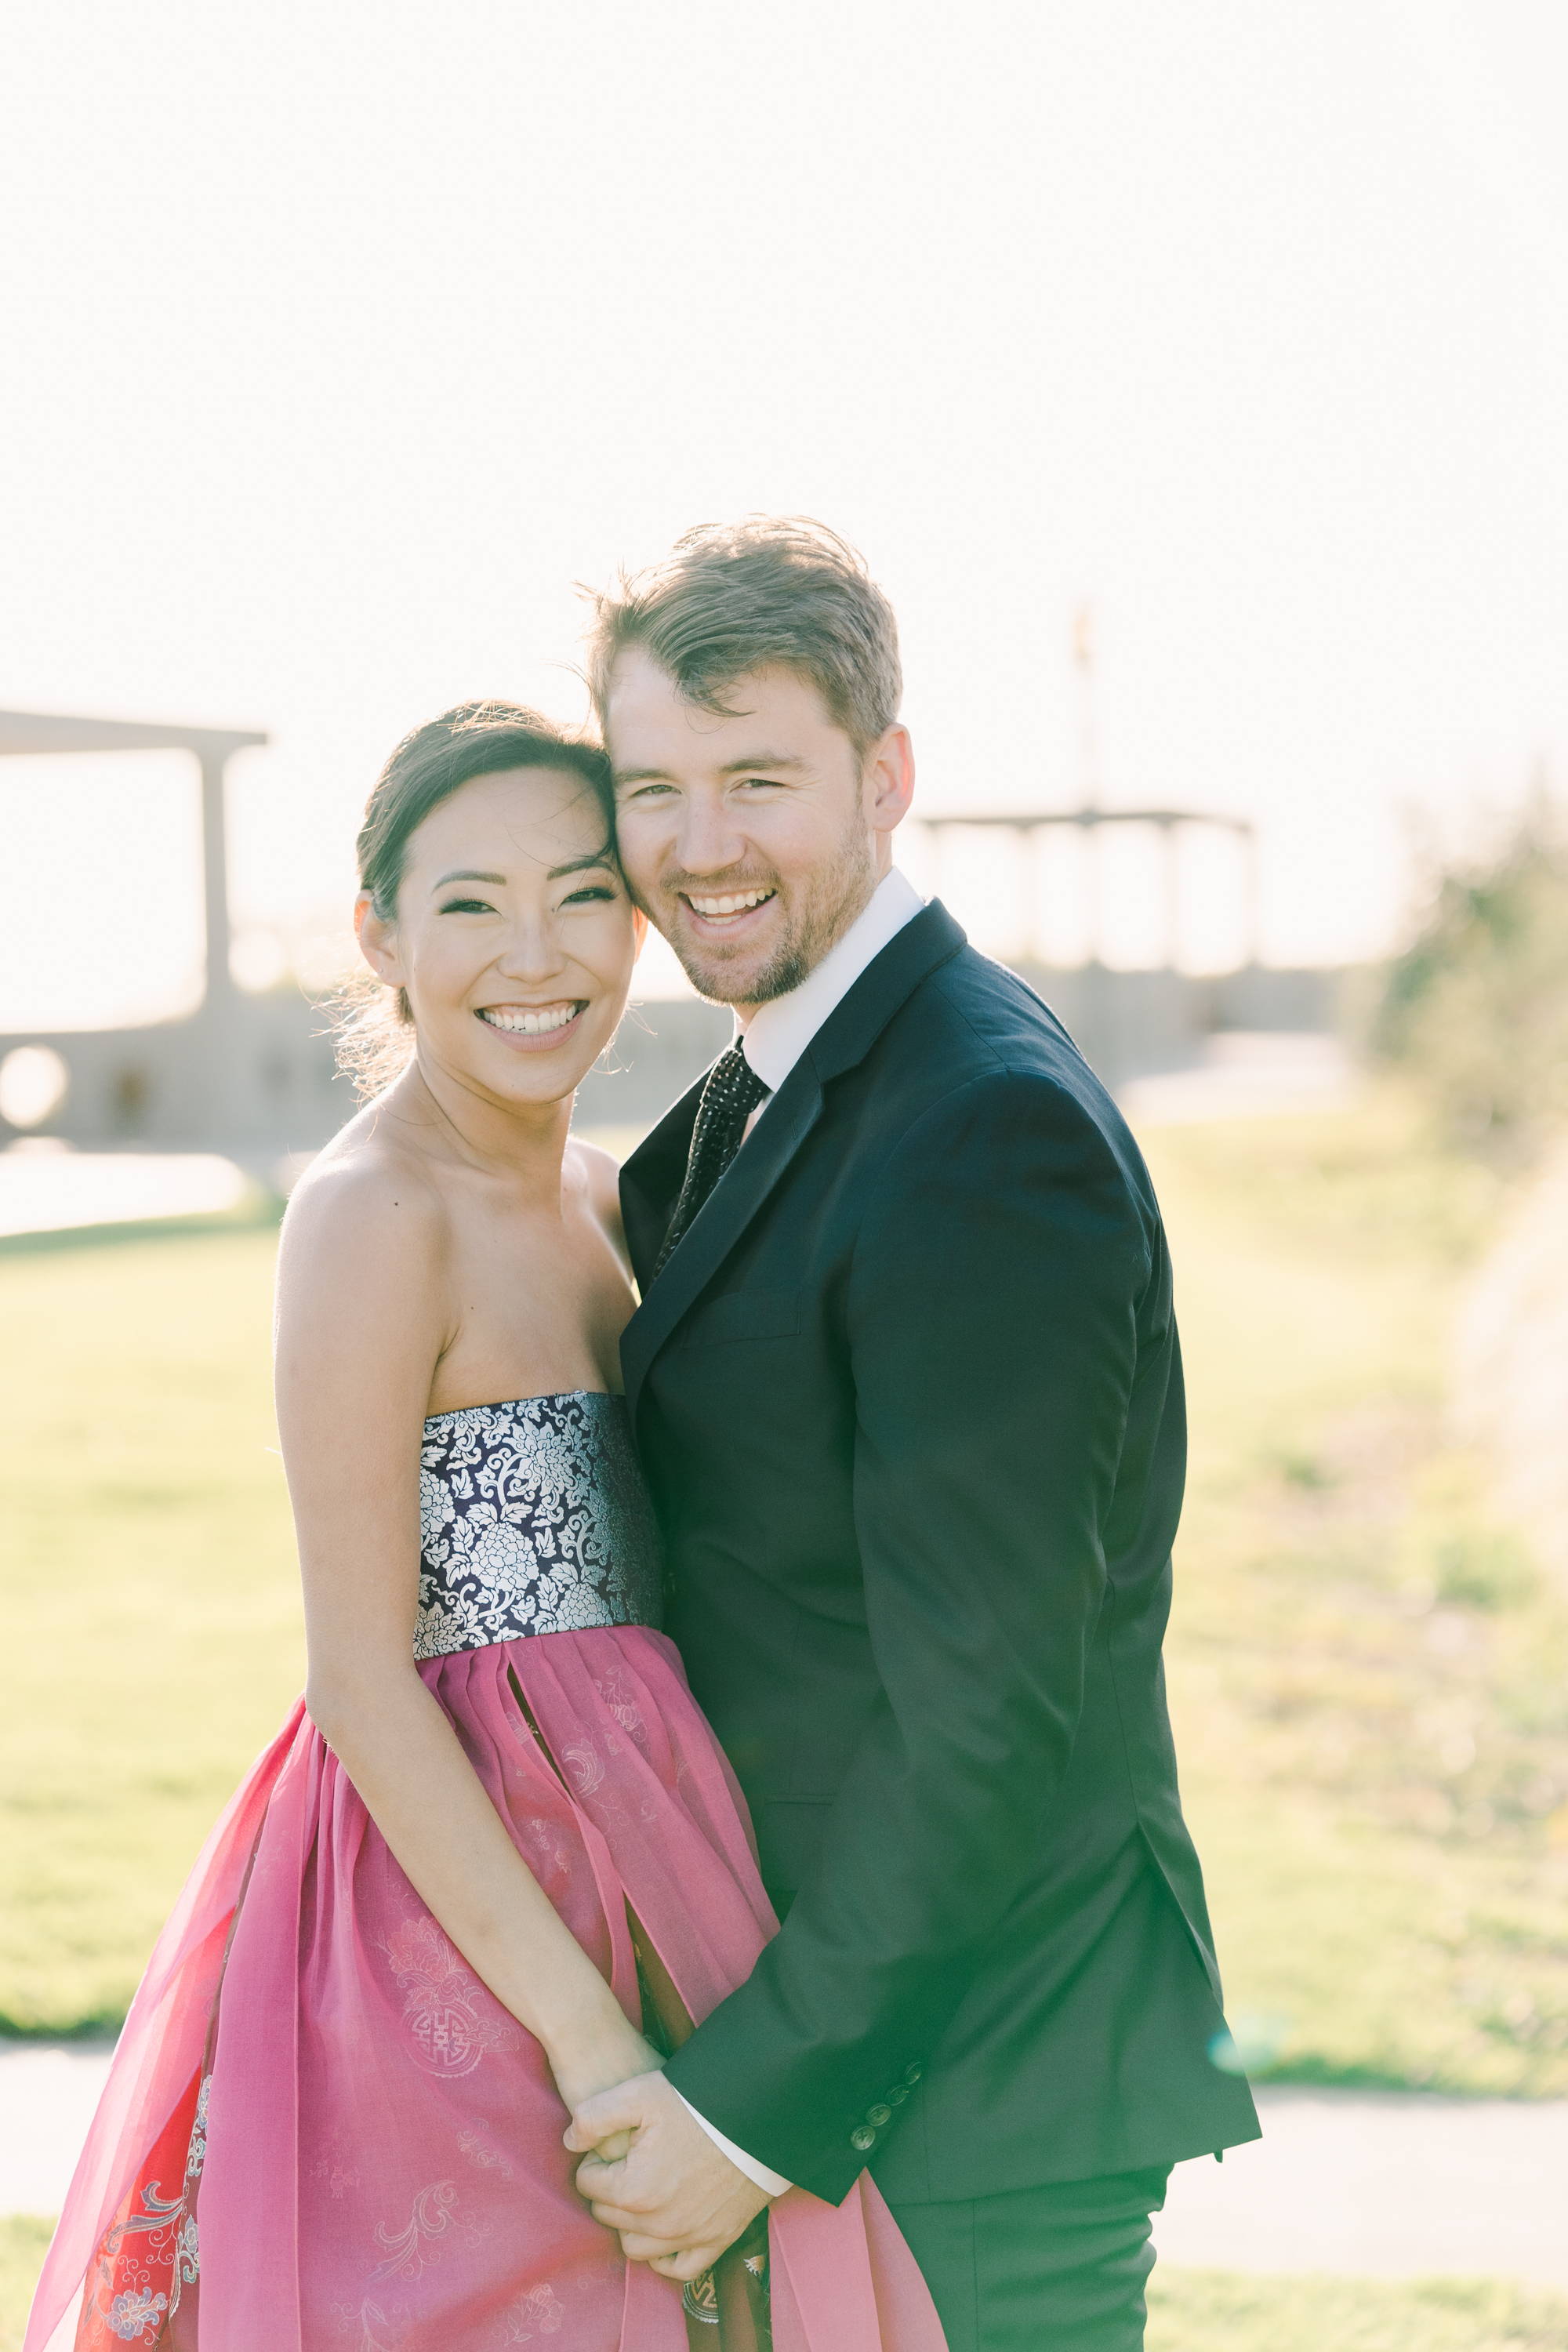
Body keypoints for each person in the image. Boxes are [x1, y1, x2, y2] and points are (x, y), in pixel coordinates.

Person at [25, 702, 945, 2352]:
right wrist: (590, 2041)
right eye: (468, 903)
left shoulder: (608, 1196)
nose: (538, 953)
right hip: (448, 1915)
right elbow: (361, 1680)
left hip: (661, 1851)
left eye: (585, 893)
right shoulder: (371, 1216)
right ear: (379, 931)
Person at [561, 520, 1261, 2352]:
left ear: (885, 778)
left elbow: (984, 1722)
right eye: (653, 789)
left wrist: (743, 2114)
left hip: (978, 2087)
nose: (697, 846)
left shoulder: (975, 1131)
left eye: (757, 780)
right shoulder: (766, 1088)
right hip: (864, 2037)